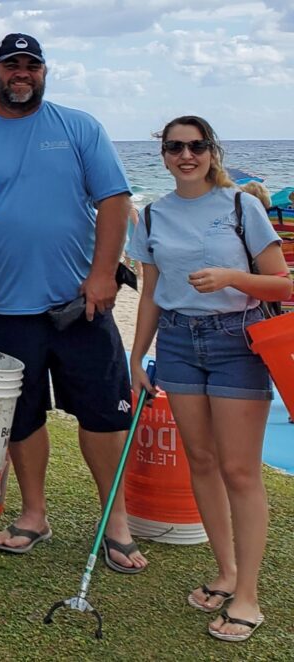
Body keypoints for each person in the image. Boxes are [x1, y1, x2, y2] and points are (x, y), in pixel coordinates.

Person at [0, 34, 148, 571]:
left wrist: (103, 275)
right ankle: (34, 515)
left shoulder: (79, 128)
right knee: (22, 419)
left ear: (44, 72)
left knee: (102, 416)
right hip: (5, 308)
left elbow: (114, 201)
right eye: (12, 66)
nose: (21, 73)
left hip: (82, 305)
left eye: (31, 65)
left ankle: (115, 521)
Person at [128, 116, 290, 642]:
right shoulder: (152, 214)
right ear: (165, 156)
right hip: (176, 341)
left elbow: (282, 284)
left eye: (196, 146)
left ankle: (248, 596)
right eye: (175, 147)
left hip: (236, 339)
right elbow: (151, 290)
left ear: (212, 151)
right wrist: (137, 356)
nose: (186, 155)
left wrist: (231, 279)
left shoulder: (242, 206)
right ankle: (225, 573)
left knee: (240, 470)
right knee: (200, 460)